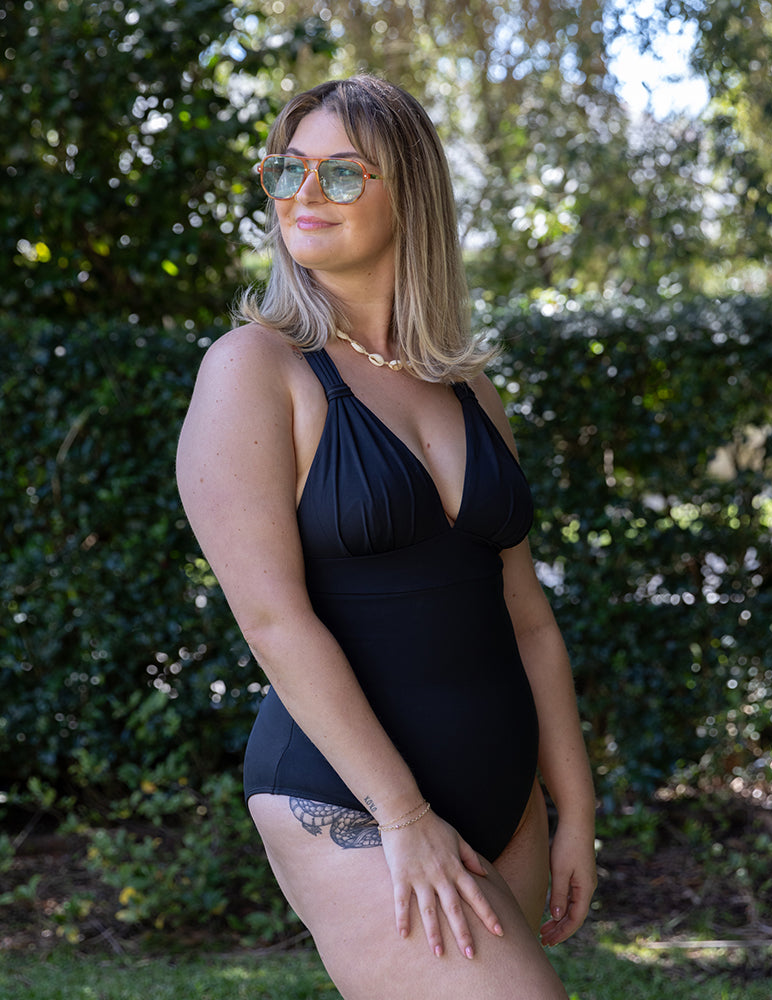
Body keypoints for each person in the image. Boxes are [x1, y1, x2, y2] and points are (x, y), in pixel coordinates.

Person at [176, 75, 597, 999]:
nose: (301, 195)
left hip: (506, 798)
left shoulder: (467, 388)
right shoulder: (255, 369)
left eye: (340, 174)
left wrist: (574, 807)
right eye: (287, 170)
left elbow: (527, 617)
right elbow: (273, 621)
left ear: (409, 189)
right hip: (350, 801)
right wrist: (404, 815)